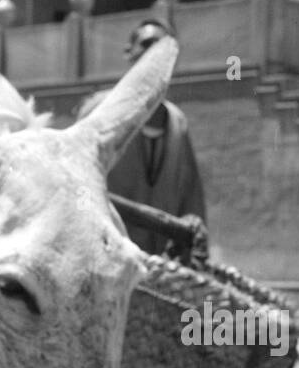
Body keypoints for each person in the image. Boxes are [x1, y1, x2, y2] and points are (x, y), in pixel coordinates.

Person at [77, 19, 207, 255]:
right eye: (147, 44)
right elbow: (76, 184)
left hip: (157, 268)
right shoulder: (98, 110)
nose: (155, 54)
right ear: (129, 53)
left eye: (164, 48)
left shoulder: (178, 122)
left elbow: (191, 197)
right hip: (105, 257)